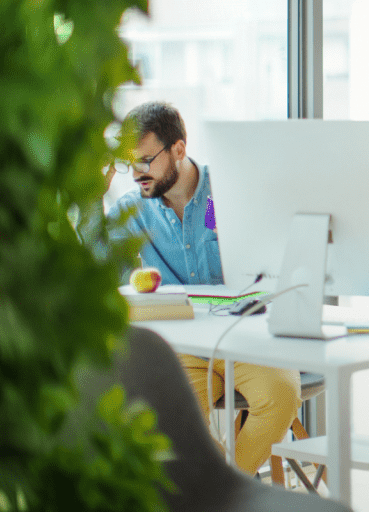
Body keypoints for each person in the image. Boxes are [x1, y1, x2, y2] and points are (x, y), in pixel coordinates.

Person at [103, 101, 302, 475]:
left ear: (178, 149)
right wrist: (91, 199)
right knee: (171, 418)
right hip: (185, 348)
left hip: (247, 337)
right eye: (130, 163)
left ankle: (227, 491)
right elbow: (94, 270)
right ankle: (226, 491)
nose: (136, 173)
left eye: (145, 160)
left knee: (281, 396)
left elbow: (277, 256)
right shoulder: (133, 210)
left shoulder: (231, 187)